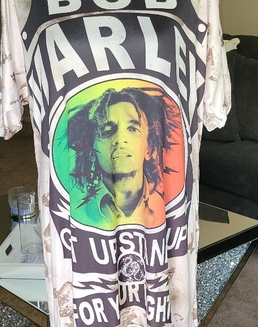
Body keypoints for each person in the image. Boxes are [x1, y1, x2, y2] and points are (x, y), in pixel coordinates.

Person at [68, 87, 180, 230]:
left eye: (132, 129)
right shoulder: (77, 213)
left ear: (149, 149)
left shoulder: (167, 208)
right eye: (107, 132)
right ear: (91, 153)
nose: (120, 139)